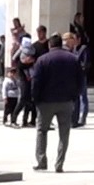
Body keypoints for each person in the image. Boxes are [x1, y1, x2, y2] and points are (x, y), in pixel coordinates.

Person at [32, 34, 86, 172]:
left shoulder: (42, 60)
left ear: (50, 45)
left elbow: (36, 82)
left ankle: (41, 161)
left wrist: (35, 99)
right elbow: (81, 80)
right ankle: (59, 164)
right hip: (66, 101)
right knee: (64, 133)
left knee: (42, 131)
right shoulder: (73, 59)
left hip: (45, 102)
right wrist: (74, 97)